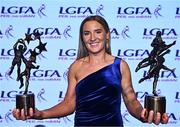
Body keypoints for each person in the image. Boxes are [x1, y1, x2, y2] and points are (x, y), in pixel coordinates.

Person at [12, 15, 169, 126]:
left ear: (107, 35)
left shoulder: (120, 65)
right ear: (82, 38)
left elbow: (131, 100)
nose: (92, 38)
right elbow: (68, 103)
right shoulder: (76, 67)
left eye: (98, 32)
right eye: (87, 33)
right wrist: (41, 114)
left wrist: (143, 115)